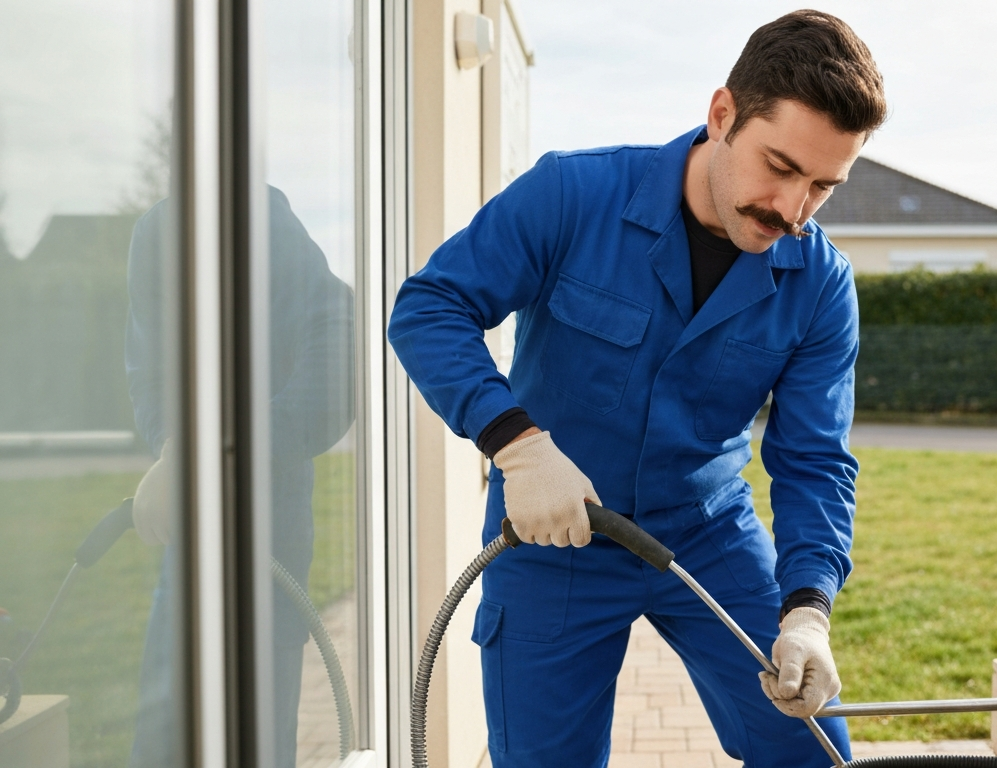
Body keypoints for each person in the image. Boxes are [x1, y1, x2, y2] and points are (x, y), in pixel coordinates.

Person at [388, 10, 885, 767]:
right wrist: (516, 446)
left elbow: (814, 459)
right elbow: (430, 308)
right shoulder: (571, 194)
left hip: (708, 535)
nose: (793, 209)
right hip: (553, 530)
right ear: (722, 114)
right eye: (780, 167)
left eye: (823, 185)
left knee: (810, 748)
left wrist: (809, 608)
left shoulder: (819, 284)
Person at [125, 187, 355, 767]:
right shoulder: (158, 230)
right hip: (189, 537)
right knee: (164, 731)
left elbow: (340, 352)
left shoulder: (263, 221)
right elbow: (148, 375)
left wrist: (216, 451)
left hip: (265, 528)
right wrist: (174, 450)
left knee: (249, 732)